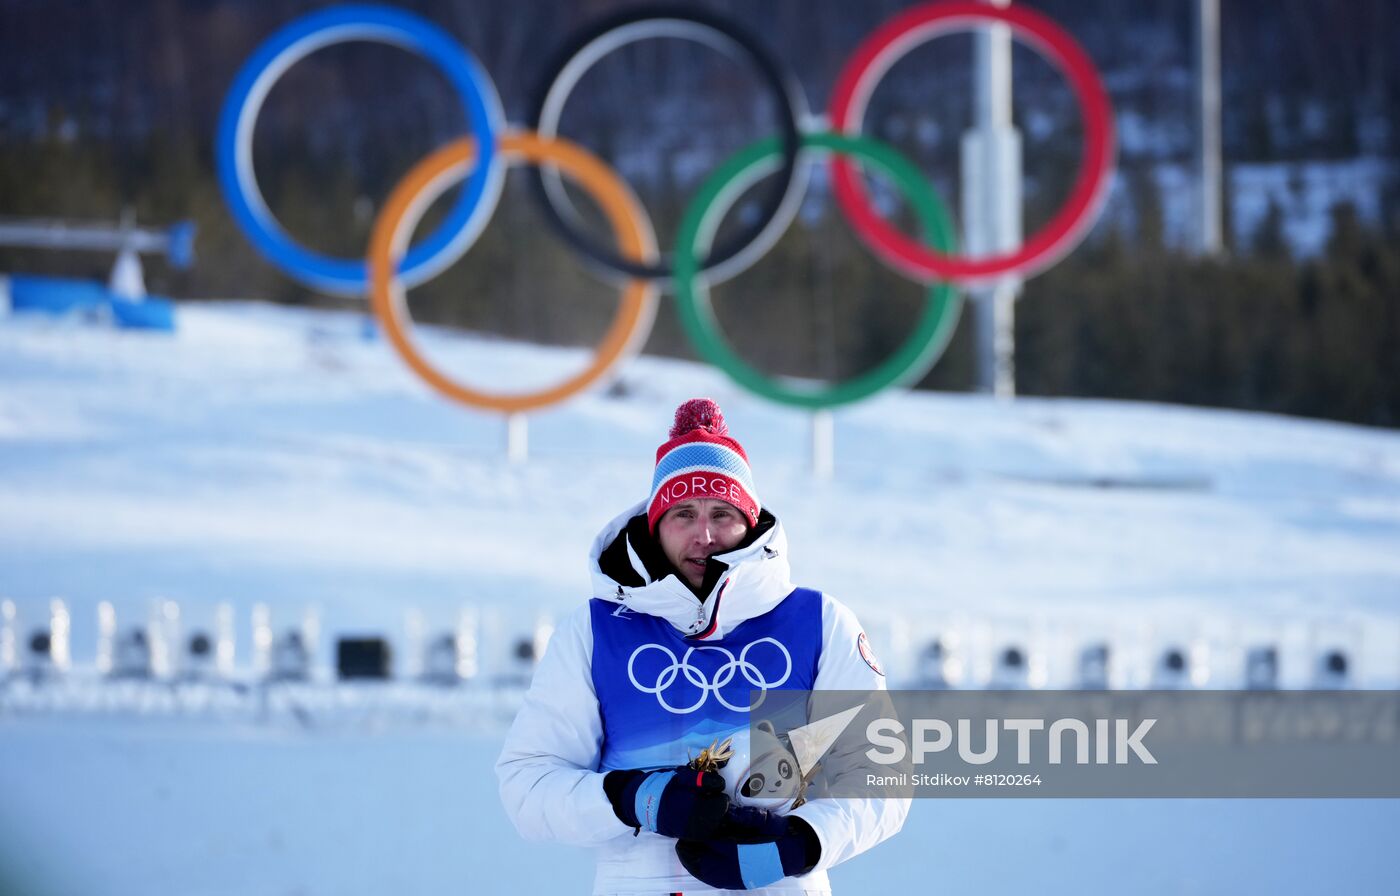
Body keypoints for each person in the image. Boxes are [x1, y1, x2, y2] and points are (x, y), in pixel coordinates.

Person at [496, 398, 907, 894]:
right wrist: (636, 799)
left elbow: (880, 777)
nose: (704, 535)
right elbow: (528, 786)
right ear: (656, 525)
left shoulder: (820, 623)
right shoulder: (593, 630)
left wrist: (799, 842)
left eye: (722, 513)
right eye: (683, 514)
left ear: (750, 522)